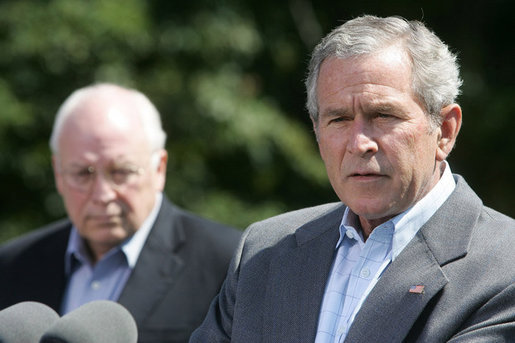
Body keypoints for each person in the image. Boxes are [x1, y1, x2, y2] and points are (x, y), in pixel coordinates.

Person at [190, 15, 515, 342]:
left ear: (445, 131)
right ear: (317, 133)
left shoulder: (505, 266)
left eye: (383, 115)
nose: (359, 143)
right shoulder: (263, 252)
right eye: (339, 119)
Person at [0, 83, 241, 342]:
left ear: (159, 169)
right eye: (83, 173)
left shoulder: (231, 265)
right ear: (58, 174)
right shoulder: (12, 266)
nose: (103, 195)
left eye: (121, 172)